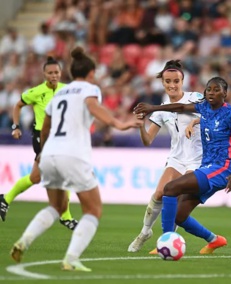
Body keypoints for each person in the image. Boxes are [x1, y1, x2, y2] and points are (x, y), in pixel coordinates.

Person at [10, 46, 143, 271]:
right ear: (91, 73)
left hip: (50, 153)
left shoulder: (60, 92)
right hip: (73, 154)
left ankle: (25, 240)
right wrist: (119, 123)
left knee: (56, 206)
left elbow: (45, 128)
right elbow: (92, 106)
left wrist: (42, 153)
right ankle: (70, 259)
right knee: (93, 211)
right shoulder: (90, 89)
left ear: (71, 73)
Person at [134, 77, 231, 254]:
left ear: (225, 93)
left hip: (221, 169)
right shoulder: (204, 107)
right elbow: (180, 108)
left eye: (216, 90)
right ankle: (214, 240)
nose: (211, 93)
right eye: (208, 89)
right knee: (179, 216)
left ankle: (165, 242)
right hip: (206, 167)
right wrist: (153, 108)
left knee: (170, 188)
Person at [127, 60, 204, 253]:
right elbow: (148, 140)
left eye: (176, 81)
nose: (172, 85)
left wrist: (193, 123)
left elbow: (208, 116)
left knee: (177, 200)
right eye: (168, 81)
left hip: (198, 159)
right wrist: (141, 126)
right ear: (162, 82)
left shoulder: (195, 97)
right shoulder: (161, 109)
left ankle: (169, 239)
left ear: (182, 81)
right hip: (177, 158)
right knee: (159, 193)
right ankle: (145, 232)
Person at [0, 56, 79, 230]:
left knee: (35, 177)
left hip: (59, 138)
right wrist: (16, 126)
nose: (54, 75)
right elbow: (17, 106)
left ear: (61, 73)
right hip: (41, 138)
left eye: (56, 72)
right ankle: (66, 217)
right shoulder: (36, 92)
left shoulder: (67, 90)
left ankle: (5, 199)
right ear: (44, 74)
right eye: (50, 73)